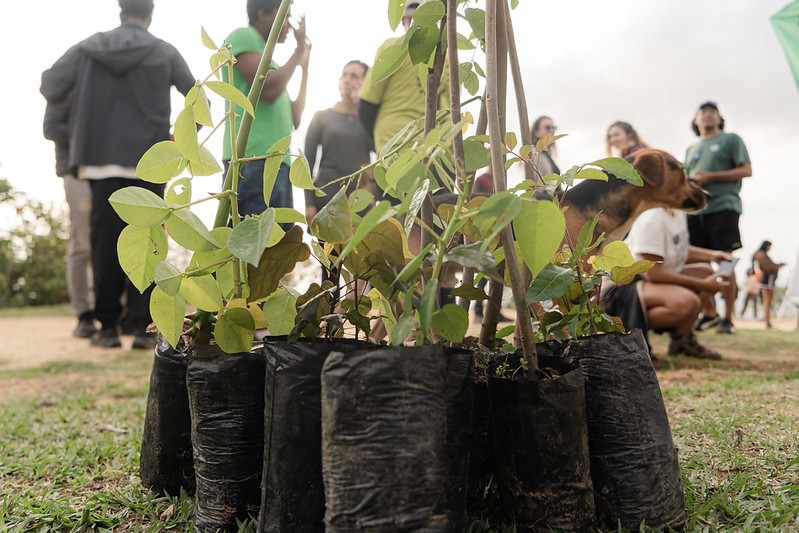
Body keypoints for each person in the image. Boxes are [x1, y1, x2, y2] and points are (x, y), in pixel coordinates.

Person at [40, 0, 196, 349]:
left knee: (104, 244)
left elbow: (51, 85)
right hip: (150, 159)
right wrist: (180, 143)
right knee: (150, 243)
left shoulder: (88, 48)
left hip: (100, 159)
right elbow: (196, 96)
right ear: (150, 14)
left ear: (120, 11)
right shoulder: (165, 51)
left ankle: (107, 328)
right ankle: (142, 329)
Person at [223, 0, 311, 220]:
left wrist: (305, 69)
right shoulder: (243, 36)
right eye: (286, 17)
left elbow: (295, 119)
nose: (289, 26)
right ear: (263, 14)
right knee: (255, 247)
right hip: (252, 161)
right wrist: (298, 51)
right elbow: (268, 89)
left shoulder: (276, 68)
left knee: (278, 250)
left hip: (278, 165)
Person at [604, 207, 730, 359]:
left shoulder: (678, 212)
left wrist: (712, 255)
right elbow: (652, 272)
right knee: (688, 302)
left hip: (648, 278)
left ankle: (682, 339)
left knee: (706, 273)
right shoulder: (651, 220)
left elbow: (676, 248)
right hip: (622, 284)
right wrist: (703, 285)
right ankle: (627, 328)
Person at [684, 101, 752, 334]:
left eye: (712, 113)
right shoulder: (691, 149)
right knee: (694, 262)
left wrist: (709, 177)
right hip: (695, 211)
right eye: (702, 113)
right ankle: (709, 312)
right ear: (696, 120)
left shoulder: (731, 140)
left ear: (720, 118)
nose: (708, 116)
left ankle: (727, 319)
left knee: (725, 261)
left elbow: (746, 170)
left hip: (724, 205)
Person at [358, 1, 450, 155]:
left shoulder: (393, 47)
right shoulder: (449, 59)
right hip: (439, 154)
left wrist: (377, 144)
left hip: (396, 147)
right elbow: (451, 112)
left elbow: (367, 105)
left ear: (403, 20)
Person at [42, 99, 97, 339]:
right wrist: (89, 133)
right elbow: (50, 128)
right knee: (82, 243)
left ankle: (119, 311)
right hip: (76, 172)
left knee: (113, 241)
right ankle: (83, 313)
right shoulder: (64, 83)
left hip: (112, 170)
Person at [303, 60, 372, 227]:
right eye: (344, 75)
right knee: (331, 253)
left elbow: (378, 147)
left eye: (354, 76)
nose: (347, 80)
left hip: (361, 201)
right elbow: (306, 162)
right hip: (327, 199)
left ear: (366, 83)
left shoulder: (369, 119)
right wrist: (309, 204)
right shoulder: (321, 116)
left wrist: (362, 107)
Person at [753, 240, 786, 329]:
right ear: (767, 246)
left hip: (767, 280)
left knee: (767, 302)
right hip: (768, 280)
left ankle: (768, 322)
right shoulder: (761, 254)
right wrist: (778, 267)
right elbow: (769, 267)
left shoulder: (761, 254)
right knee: (767, 302)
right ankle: (767, 322)